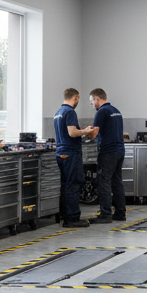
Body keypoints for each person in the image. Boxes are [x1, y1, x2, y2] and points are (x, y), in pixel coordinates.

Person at [53, 88, 90, 228]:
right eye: (78, 99)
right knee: (74, 184)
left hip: (60, 153)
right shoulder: (70, 112)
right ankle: (72, 218)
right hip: (71, 153)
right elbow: (72, 132)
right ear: (75, 97)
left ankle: (64, 214)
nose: (77, 102)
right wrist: (86, 131)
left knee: (65, 184)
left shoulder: (58, 113)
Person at [88, 88, 126, 223]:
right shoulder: (116, 111)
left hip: (108, 152)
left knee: (103, 181)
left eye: (92, 101)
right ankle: (121, 213)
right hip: (120, 150)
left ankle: (105, 214)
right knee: (117, 181)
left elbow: (94, 133)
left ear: (98, 99)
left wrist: (84, 132)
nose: (92, 104)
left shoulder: (101, 112)